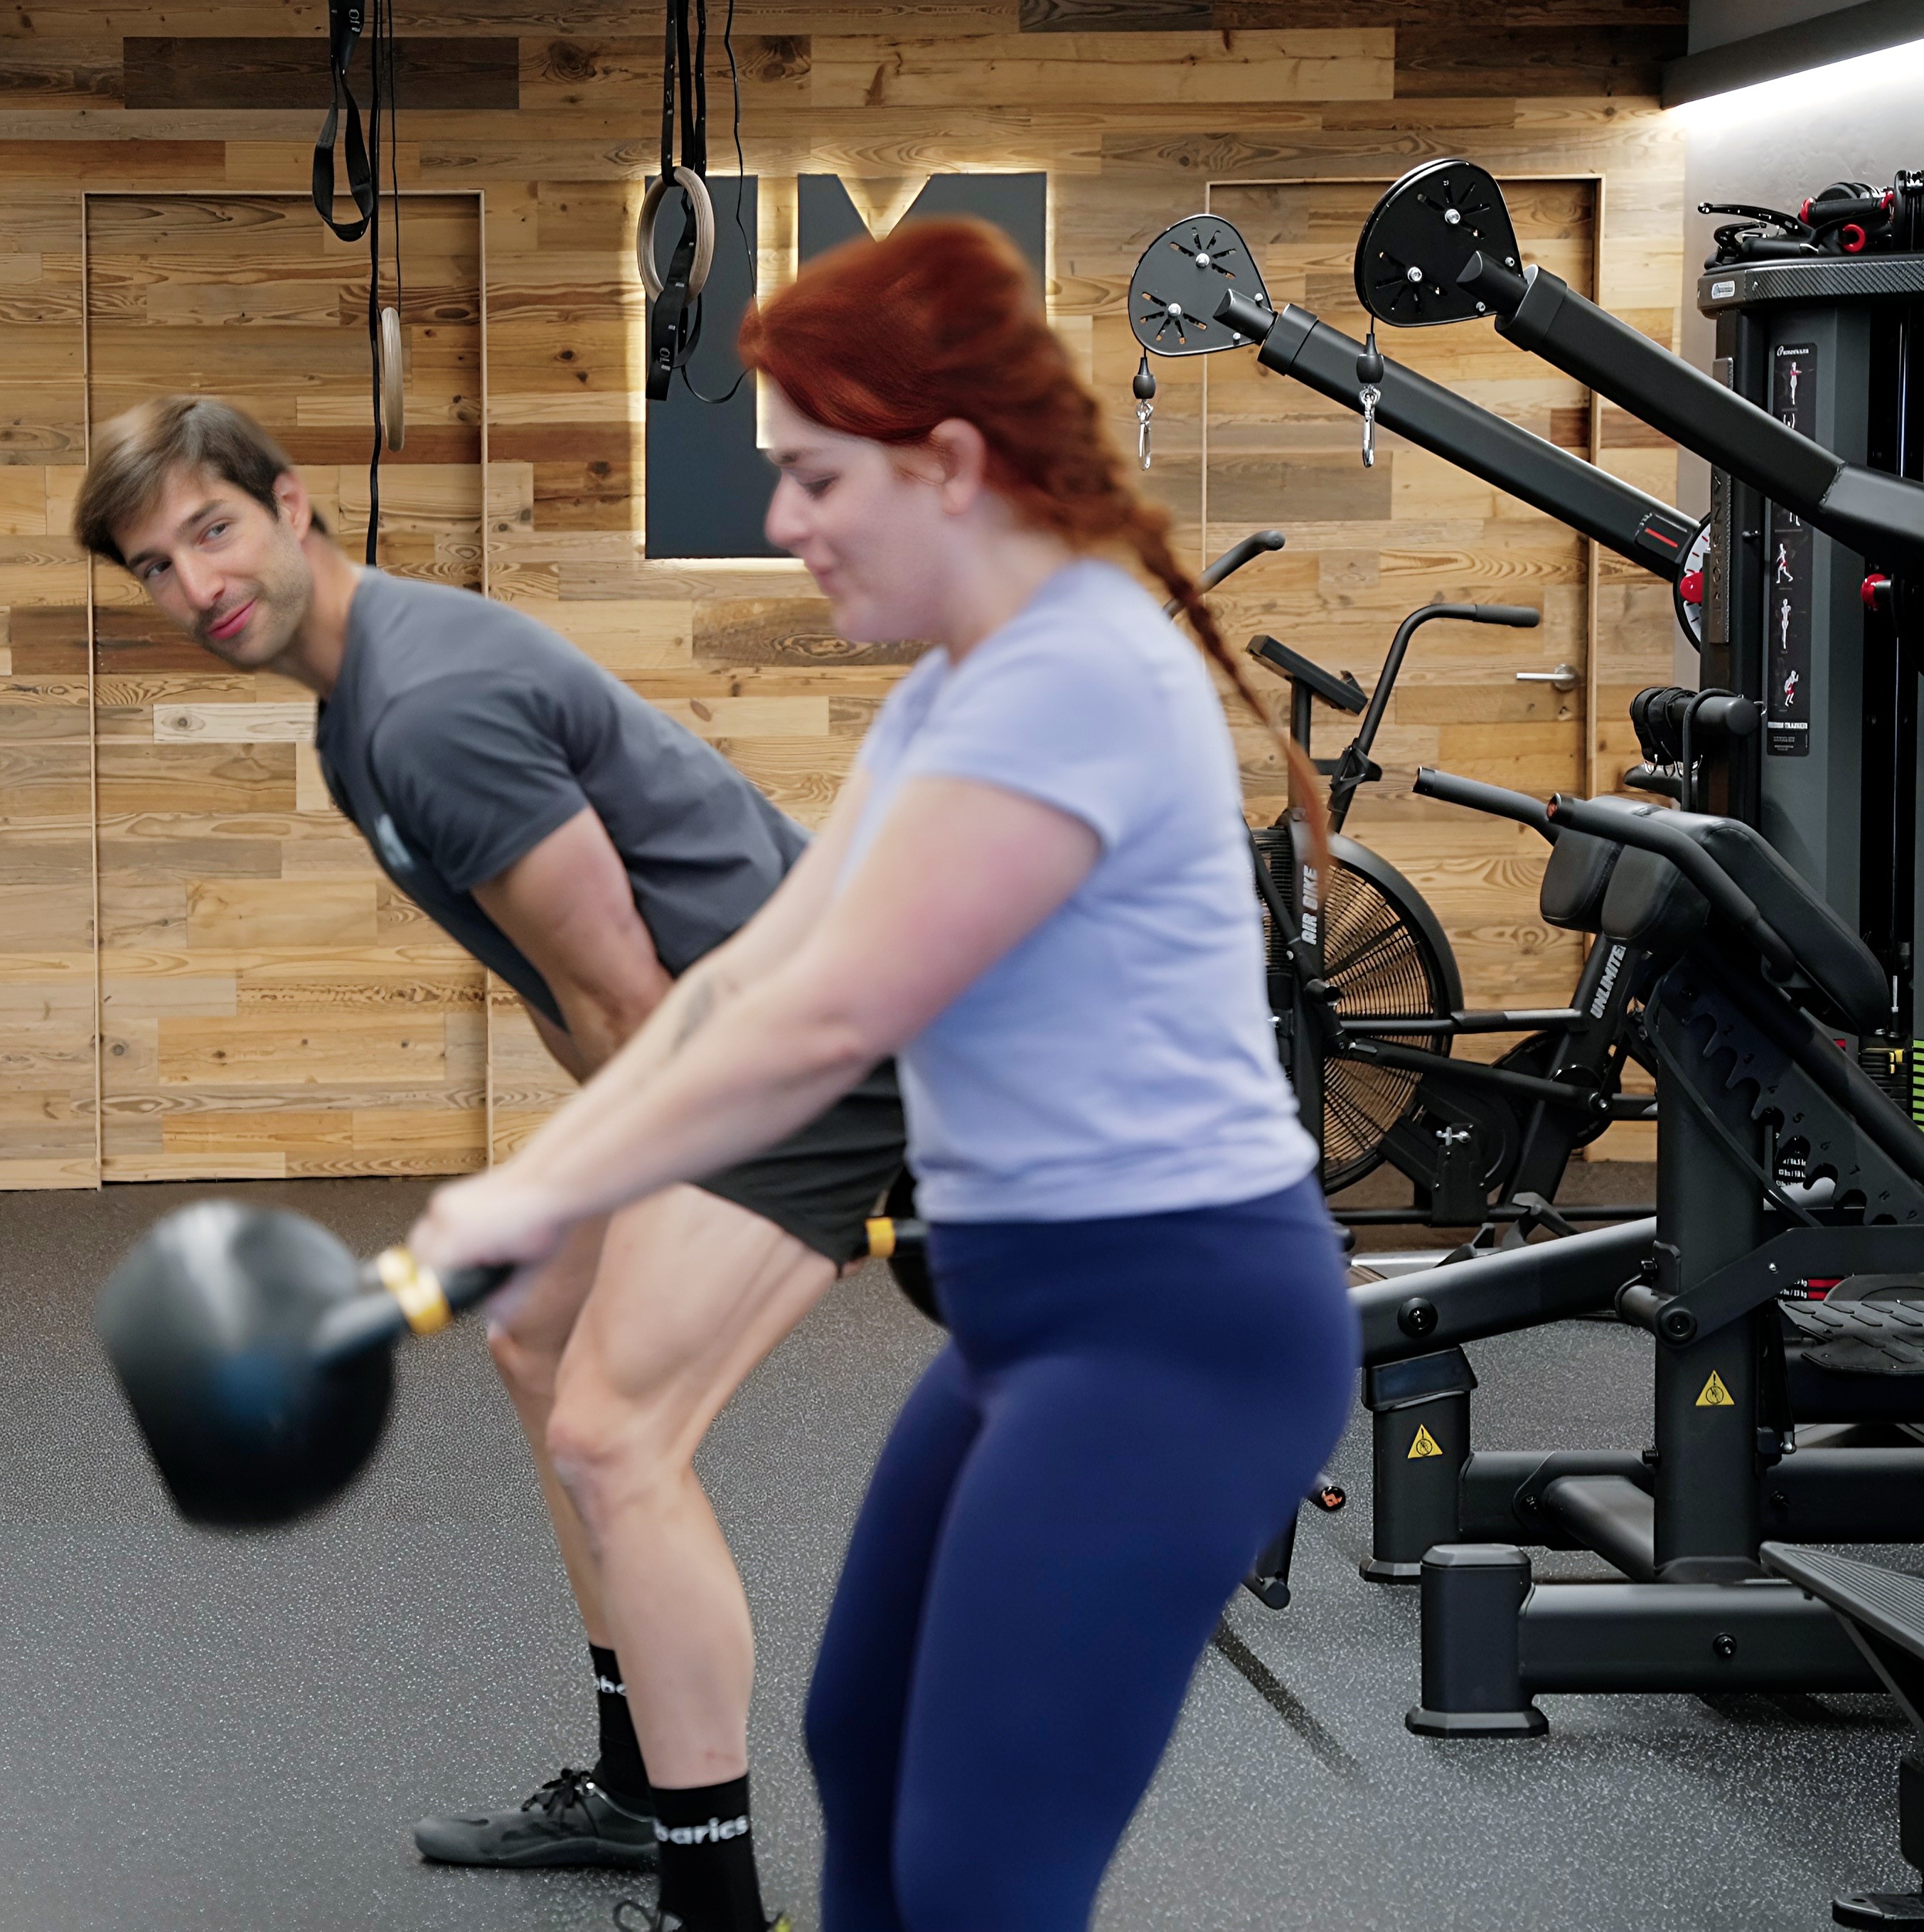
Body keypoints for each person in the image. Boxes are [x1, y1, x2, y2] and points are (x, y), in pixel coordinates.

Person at [405, 218, 1358, 1931]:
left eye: (812, 477)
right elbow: (747, 974)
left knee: (981, 1863)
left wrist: (533, 1194)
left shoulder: (1072, 676)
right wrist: (533, 1190)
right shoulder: (952, 692)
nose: (781, 523)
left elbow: (827, 1020)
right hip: (1026, 1323)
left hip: (1176, 1331)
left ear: (947, 465)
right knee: (861, 1741)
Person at [73, 398, 909, 1932]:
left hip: (805, 1052)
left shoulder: (421, 709)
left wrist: (608, 1183)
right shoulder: (357, 713)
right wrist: (575, 1188)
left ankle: (712, 1896)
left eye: (212, 530)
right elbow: (566, 991)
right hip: (717, 1032)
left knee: (612, 1432)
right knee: (532, 1335)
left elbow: (625, 999)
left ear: (292, 505)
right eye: (151, 565)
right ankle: (637, 1782)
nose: (194, 585)